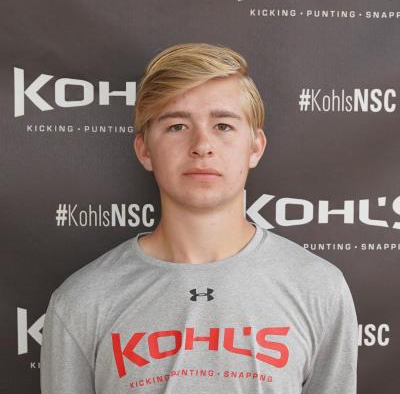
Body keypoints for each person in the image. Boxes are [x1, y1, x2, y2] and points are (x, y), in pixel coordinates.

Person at [40, 43, 358, 394]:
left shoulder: (319, 288)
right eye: (177, 126)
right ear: (145, 150)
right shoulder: (83, 301)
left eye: (223, 125)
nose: (202, 145)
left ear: (255, 147)